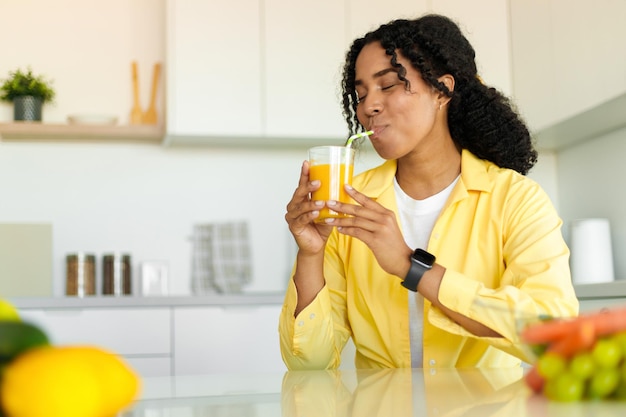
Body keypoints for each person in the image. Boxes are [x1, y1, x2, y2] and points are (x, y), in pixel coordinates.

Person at [279, 14, 578, 369]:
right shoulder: (348, 204)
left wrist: (411, 266)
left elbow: (555, 337)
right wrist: (311, 254)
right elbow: (308, 365)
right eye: (360, 94)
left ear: (442, 90)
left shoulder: (515, 199)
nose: (368, 107)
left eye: (388, 85)